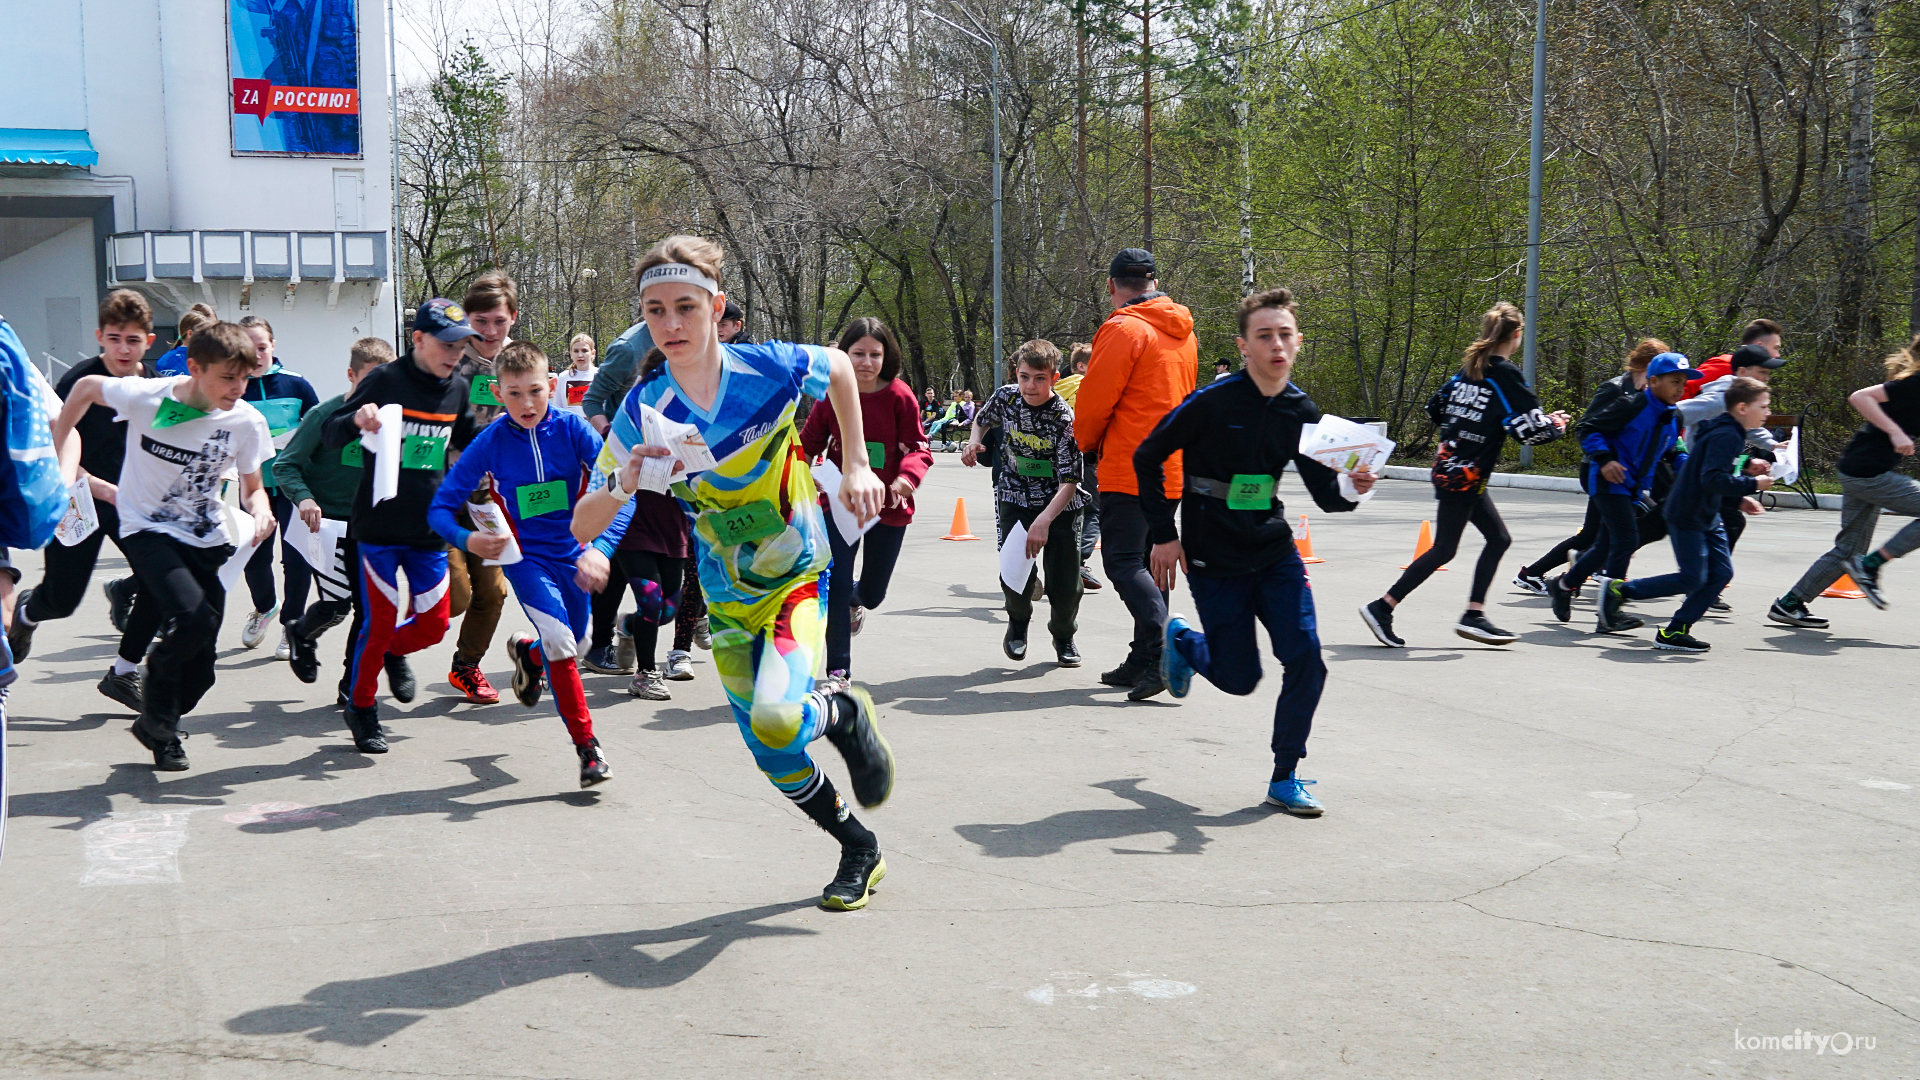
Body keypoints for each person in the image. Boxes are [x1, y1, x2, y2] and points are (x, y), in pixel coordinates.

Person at [571, 235, 894, 911]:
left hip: (797, 579)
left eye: (686, 307)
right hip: (725, 600)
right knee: (773, 754)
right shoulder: (644, 411)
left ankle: (841, 712)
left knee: (781, 717)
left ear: (717, 308)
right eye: (654, 311)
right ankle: (858, 848)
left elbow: (839, 367)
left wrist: (859, 463)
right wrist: (623, 482)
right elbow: (581, 523)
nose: (671, 325)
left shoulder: (769, 370)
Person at [1141, 287, 1377, 817]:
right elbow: (1147, 455)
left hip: (1272, 549)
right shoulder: (1211, 402)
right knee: (1240, 677)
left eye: (1285, 335)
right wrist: (1162, 533)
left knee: (1307, 659)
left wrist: (1353, 487)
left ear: (1298, 344)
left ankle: (1285, 774)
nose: (1276, 345)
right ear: (1244, 346)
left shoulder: (1301, 410)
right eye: (1264, 336)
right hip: (1211, 550)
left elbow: (1325, 495)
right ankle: (1182, 641)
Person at [50, 322, 276, 771]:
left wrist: (262, 509)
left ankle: (157, 724)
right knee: (193, 621)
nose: (238, 388)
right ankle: (156, 704)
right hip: (146, 529)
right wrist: (59, 458)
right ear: (194, 367)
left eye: (245, 378)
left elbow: (253, 486)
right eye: (227, 378)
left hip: (204, 536)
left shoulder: (246, 420)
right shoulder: (148, 395)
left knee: (204, 672)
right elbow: (85, 387)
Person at [429, 341, 612, 787]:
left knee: (578, 645)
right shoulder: (489, 442)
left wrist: (600, 548)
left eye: (534, 391)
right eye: (513, 394)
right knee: (561, 641)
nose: (526, 404)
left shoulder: (574, 429)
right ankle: (589, 750)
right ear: (497, 392)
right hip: (525, 558)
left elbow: (619, 493)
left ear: (552, 384)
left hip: (576, 554)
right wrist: (467, 537)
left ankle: (528, 655)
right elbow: (439, 508)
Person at [322, 298, 481, 752]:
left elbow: (471, 442)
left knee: (433, 626)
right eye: (446, 344)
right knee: (377, 622)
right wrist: (355, 418)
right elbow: (330, 432)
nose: (455, 353)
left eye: (462, 345)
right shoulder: (386, 379)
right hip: (377, 531)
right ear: (418, 339)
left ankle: (392, 652)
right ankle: (362, 707)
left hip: (430, 530)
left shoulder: (459, 388)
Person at [1360, 302, 1567, 647]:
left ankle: (1474, 615)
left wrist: (1468, 424)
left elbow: (1435, 408)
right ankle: (1383, 607)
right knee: (1444, 548)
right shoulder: (1505, 374)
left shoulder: (1468, 370)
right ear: (1516, 335)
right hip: (1465, 475)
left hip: (1452, 467)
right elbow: (1529, 432)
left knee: (1498, 539)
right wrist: (1556, 426)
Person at [6, 290, 166, 709]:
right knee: (62, 600)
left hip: (133, 505)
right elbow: (53, 452)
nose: (123, 349)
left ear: (149, 341)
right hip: (80, 499)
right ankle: (26, 614)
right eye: (115, 338)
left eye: (133, 340)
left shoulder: (156, 387)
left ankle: (123, 672)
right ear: (100, 337)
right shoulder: (78, 383)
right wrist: (99, 486)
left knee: (159, 584)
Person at [1074, 248, 1199, 699]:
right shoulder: (1182, 330)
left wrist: (1085, 443)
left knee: (1122, 562)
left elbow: (1095, 400)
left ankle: (1171, 643)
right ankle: (1146, 659)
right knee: (1152, 564)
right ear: (1153, 281)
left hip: (1131, 464)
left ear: (1112, 285)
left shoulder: (1123, 328)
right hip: (1172, 465)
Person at [1595, 377, 1774, 652]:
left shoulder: (1730, 432)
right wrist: (1753, 485)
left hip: (1707, 513)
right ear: (1742, 408)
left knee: (1720, 574)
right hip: (1688, 513)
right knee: (1692, 577)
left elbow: (1711, 474)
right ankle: (1620, 590)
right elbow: (1712, 478)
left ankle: (1676, 629)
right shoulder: (1726, 434)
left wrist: (1738, 498)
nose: (1768, 412)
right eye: (1763, 406)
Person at [801, 317, 933, 678]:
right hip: (840, 506)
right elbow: (806, 444)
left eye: (875, 354)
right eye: (858, 353)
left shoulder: (899, 395)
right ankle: (837, 673)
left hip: (889, 509)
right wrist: (801, 477)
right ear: (844, 355)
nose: (866, 363)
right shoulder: (831, 395)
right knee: (836, 582)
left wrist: (907, 478)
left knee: (871, 593)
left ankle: (857, 603)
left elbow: (919, 447)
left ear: (886, 357)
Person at [1771, 333, 1920, 625]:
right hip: (1868, 473)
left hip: (1858, 469)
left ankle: (1789, 604)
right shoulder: (1914, 383)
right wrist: (1895, 432)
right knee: (1857, 556)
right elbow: (1859, 396)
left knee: (1849, 550)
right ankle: (1872, 565)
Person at [1545, 350, 1700, 627]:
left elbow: (1673, 449)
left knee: (1605, 545)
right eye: (1674, 381)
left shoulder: (1673, 416)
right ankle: (1610, 611)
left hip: (1632, 487)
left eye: (1684, 382)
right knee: (1626, 539)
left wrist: (1688, 468)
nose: (1681, 387)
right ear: (1653, 381)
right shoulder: (1631, 406)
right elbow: (1588, 428)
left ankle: (1564, 585)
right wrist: (1605, 459)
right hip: (1608, 482)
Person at [275, 337, 393, 694]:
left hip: (370, 528)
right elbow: (286, 465)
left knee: (368, 609)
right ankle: (301, 632)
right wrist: (304, 499)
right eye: (369, 380)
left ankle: (351, 681)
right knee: (335, 605)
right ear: (350, 375)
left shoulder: (396, 419)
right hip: (324, 525)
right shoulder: (323, 415)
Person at [1513, 339, 1672, 594]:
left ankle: (1533, 573)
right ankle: (1600, 571)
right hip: (1599, 470)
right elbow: (1587, 427)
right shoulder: (1615, 389)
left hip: (1621, 475)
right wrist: (1605, 459)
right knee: (1646, 522)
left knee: (1591, 535)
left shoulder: (1649, 396)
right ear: (1645, 366)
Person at [963, 340, 1087, 666]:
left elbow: (1070, 482)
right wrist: (975, 440)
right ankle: (1017, 624)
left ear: (1055, 378)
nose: (1030, 386)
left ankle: (1064, 635)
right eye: (1024, 376)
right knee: (1014, 571)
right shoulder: (1005, 396)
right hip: (1015, 495)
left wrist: (1044, 520)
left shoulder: (1064, 419)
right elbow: (982, 418)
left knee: (1065, 583)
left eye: (1039, 378)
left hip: (1059, 505)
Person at [443, 272, 518, 705]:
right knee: (457, 597)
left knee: (492, 592)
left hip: (489, 498)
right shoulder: (446, 359)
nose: (489, 332)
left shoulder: (519, 361)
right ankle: (386, 639)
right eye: (480, 321)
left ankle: (466, 668)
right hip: (442, 493)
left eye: (499, 322)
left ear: (512, 319)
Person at [233, 316, 320, 656]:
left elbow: (318, 430)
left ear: (273, 346)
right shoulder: (234, 385)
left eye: (262, 348)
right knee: (254, 555)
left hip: (293, 486)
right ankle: (265, 606)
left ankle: (293, 624)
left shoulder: (296, 385)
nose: (256, 356)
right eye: (249, 349)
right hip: (252, 487)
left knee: (295, 558)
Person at [1054, 343, 1102, 592]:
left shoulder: (1053, 388)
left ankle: (1055, 564)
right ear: (1081, 366)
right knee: (1093, 511)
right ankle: (1077, 562)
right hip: (1084, 456)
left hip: (1056, 459)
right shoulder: (1089, 386)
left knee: (1062, 511)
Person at [1680, 318, 1783, 399]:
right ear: (1759, 345)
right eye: (1775, 348)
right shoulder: (1725, 365)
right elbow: (1685, 387)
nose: (1777, 355)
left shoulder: (1756, 374)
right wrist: (1678, 424)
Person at [152, 303, 217, 377]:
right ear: (190, 334)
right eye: (206, 333)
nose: (211, 337)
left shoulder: (165, 359)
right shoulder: (169, 360)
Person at [558, 333, 597, 417]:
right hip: (569, 427)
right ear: (571, 354)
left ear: (593, 353)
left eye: (584, 350)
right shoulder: (563, 377)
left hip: (594, 428)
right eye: (576, 351)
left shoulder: (601, 376)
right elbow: (557, 408)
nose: (580, 355)